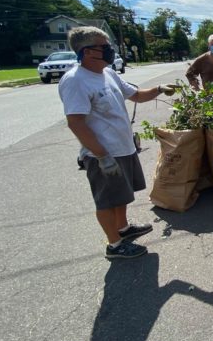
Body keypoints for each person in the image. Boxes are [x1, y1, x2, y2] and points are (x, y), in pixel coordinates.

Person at [59, 27, 179, 259]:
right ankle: (114, 245)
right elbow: (76, 123)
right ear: (87, 51)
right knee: (106, 200)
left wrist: (159, 89)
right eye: (104, 47)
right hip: (103, 153)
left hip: (123, 147)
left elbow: (135, 95)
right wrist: (102, 156)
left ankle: (123, 229)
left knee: (121, 194)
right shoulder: (75, 81)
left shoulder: (108, 74)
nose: (109, 50)